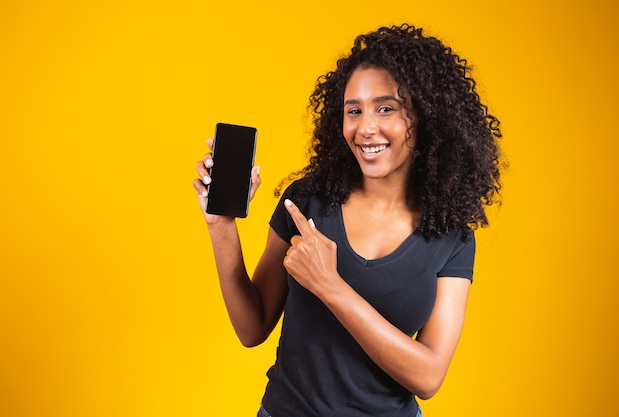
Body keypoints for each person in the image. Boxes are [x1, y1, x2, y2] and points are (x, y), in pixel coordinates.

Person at [193, 23, 502, 417]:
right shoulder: (307, 201)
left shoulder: (451, 236)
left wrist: (330, 286)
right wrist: (220, 225)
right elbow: (251, 329)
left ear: (425, 116)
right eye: (353, 110)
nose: (365, 128)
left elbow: (428, 376)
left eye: (386, 108)